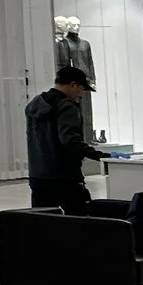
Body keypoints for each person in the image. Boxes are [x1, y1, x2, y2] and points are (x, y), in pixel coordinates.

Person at [26, 65, 106, 211]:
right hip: (65, 177)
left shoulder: (35, 103)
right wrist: (101, 156)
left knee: (44, 222)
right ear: (73, 85)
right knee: (81, 221)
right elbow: (70, 141)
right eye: (81, 89)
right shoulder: (67, 106)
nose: (81, 94)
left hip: (38, 175)